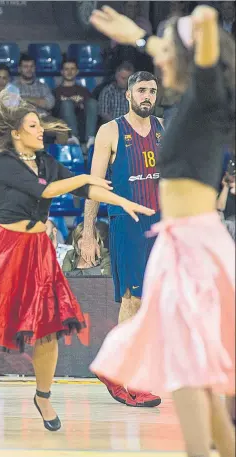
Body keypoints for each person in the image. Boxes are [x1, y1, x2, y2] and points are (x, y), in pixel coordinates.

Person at [0, 91, 155, 432]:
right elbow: (44, 190)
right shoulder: (4, 162)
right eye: (33, 126)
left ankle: (43, 396)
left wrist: (121, 201)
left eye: (40, 125)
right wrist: (87, 177)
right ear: (17, 133)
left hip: (38, 250)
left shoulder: (45, 160)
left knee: (48, 333)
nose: (40, 130)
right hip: (6, 249)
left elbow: (84, 191)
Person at [89, 5, 235, 457]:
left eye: (169, 57)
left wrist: (174, 33)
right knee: (194, 373)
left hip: (194, 240)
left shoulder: (206, 99)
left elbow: (207, 17)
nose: (162, 66)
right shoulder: (190, 106)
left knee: (194, 368)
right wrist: (142, 39)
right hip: (174, 240)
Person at [82, 70, 163, 408]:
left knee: (149, 306)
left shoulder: (161, 128)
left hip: (157, 224)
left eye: (153, 91)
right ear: (128, 94)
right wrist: (88, 234)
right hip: (126, 224)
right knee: (133, 301)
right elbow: (94, 186)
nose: (148, 96)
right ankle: (123, 376)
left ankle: (123, 370)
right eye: (142, 90)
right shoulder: (110, 131)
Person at [53, 59, 97, 149]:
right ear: (62, 72)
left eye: (72, 69)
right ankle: (73, 138)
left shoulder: (83, 91)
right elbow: (56, 111)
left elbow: (91, 109)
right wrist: (77, 105)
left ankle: (90, 138)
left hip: (83, 125)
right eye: (66, 69)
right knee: (67, 104)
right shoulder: (56, 92)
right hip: (66, 126)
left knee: (92, 102)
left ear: (77, 71)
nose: (69, 72)